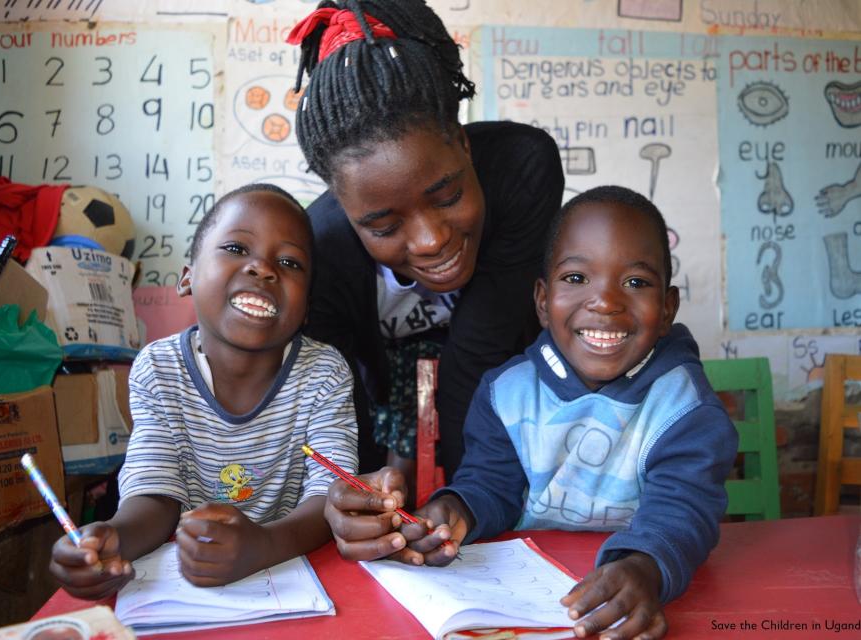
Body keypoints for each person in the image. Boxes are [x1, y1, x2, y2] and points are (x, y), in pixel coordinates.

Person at [324, 186, 739, 640]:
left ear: (667, 309)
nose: (605, 302)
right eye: (577, 278)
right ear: (543, 301)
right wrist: (454, 508)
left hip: (632, 594)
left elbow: (683, 511)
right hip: (528, 601)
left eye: (636, 282)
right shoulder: (507, 394)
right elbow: (493, 486)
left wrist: (645, 567)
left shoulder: (683, 407)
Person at [287, 0, 564, 489]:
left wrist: (467, 504)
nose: (432, 239)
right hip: (384, 384)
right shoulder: (321, 248)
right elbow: (342, 404)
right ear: (348, 211)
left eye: (449, 195)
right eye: (384, 227)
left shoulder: (522, 169)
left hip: (502, 381)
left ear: (463, 144)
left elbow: (479, 355)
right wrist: (367, 504)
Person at [49, 184, 358, 599]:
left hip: (297, 578)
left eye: (289, 261)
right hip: (189, 589)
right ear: (187, 279)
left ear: (306, 308)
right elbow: (156, 498)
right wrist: (111, 541)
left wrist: (264, 545)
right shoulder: (159, 369)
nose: (264, 268)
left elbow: (331, 497)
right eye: (236, 248)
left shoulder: (323, 373)